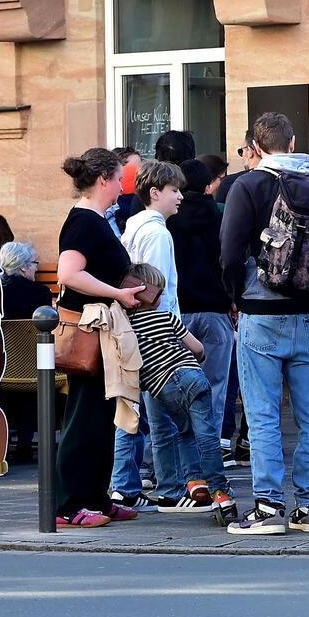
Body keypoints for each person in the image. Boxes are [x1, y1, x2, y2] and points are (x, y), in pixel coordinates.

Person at [217, 112, 309, 535]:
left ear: (255, 146)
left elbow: (230, 254)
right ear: (292, 142)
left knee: (264, 414)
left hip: (260, 313)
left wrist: (235, 295)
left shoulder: (248, 185)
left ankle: (268, 508)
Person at [52, 149, 144, 528]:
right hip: (91, 329)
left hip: (102, 327)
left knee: (101, 415)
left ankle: (96, 496)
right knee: (84, 416)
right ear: (103, 179)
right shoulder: (84, 222)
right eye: (121, 177)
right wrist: (117, 293)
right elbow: (68, 273)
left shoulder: (96, 220)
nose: (124, 184)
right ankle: (69, 503)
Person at [111, 159, 188, 510]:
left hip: (133, 329)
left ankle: (125, 484)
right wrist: (169, 333)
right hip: (155, 332)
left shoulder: (134, 227)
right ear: (155, 193)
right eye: (174, 190)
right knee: (161, 415)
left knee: (131, 410)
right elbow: (154, 289)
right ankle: (167, 487)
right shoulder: (157, 233)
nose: (180, 197)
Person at [122, 263, 228, 514]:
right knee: (207, 436)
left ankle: (191, 483)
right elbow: (198, 348)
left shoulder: (129, 327)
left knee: (182, 431)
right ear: (154, 295)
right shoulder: (168, 317)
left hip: (163, 388)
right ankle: (218, 491)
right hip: (193, 377)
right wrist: (194, 362)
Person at [170, 157, 237, 521]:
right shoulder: (221, 214)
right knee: (213, 393)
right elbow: (229, 260)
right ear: (210, 183)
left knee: (182, 396)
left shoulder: (170, 218)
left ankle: (192, 475)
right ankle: (215, 479)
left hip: (178, 316)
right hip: (214, 312)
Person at [109, 147, 144, 228]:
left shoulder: (144, 198)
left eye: (140, 166)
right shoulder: (110, 204)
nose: (139, 172)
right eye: (133, 168)